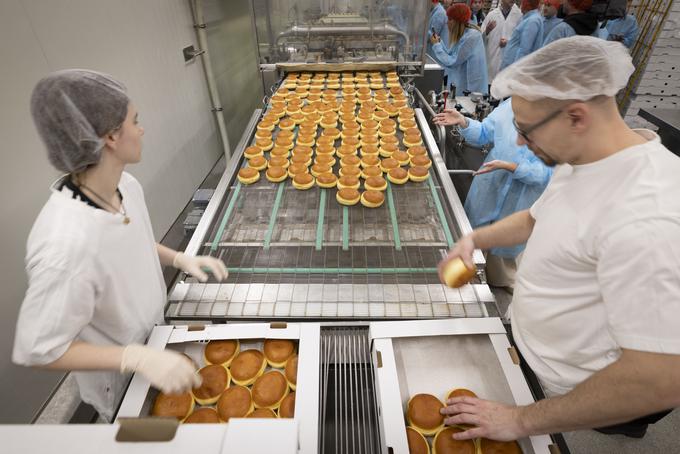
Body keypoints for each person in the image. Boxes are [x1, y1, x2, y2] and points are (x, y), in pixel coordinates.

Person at [437, 37, 680, 441]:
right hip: (532, 353)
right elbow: (536, 219)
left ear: (577, 116)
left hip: (574, 401)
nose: (517, 142)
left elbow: (659, 378)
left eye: (525, 131)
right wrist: (475, 239)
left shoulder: (649, 216)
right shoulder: (586, 157)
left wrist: (521, 420)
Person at [12, 69, 229, 421]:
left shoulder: (125, 185)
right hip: (120, 379)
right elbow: (39, 349)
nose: (141, 129)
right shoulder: (64, 244)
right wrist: (135, 357)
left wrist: (177, 258)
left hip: (157, 337)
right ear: (111, 136)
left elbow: (130, 241)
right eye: (135, 121)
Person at [433, 99, 552, 290]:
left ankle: (499, 285)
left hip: (519, 200)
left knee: (503, 259)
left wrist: (512, 167)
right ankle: (471, 283)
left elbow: (547, 175)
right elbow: (484, 133)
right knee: (473, 244)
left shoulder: (558, 119)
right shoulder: (511, 104)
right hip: (489, 187)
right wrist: (463, 121)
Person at [431, 4, 489, 94]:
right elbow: (451, 53)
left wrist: (437, 46)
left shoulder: (472, 37)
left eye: (450, 19)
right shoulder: (462, 34)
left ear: (457, 21)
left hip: (470, 88)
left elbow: (452, 62)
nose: (447, 23)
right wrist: (439, 42)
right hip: (461, 83)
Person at [481, 0, 523, 81]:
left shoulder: (519, 15)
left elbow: (522, 39)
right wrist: (487, 31)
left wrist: (509, 42)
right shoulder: (492, 15)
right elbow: (480, 39)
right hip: (492, 61)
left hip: (510, 61)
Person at [499, 0, 544, 71]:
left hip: (514, 69)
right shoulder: (528, 19)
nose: (521, 5)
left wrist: (515, 70)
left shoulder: (533, 21)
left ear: (527, 4)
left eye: (522, 2)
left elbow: (524, 49)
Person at [427, 0, 451, 66]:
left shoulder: (439, 13)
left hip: (436, 57)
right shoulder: (434, 12)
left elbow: (432, 37)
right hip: (434, 55)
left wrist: (421, 30)